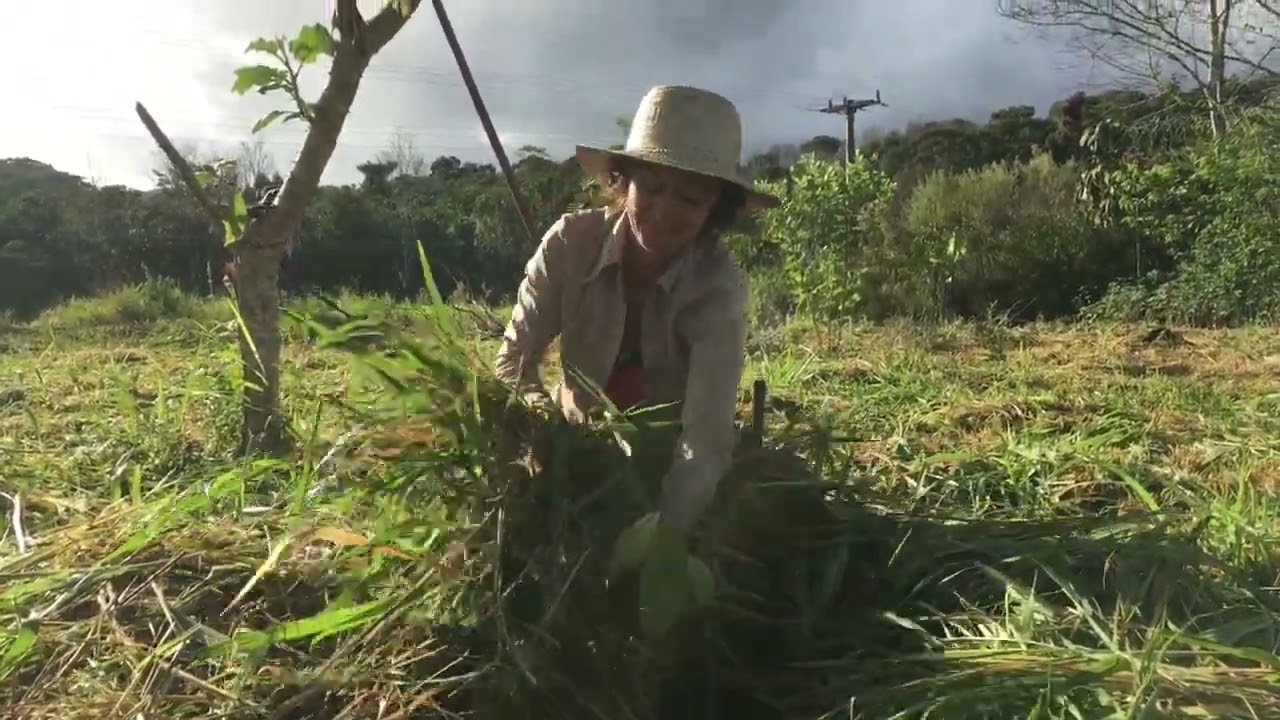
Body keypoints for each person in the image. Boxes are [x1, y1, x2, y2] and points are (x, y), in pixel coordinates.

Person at [494, 85, 779, 537]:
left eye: (689, 199)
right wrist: (549, 433)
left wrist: (663, 536)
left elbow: (703, 441)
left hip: (663, 466)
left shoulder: (718, 289)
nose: (664, 210)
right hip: (572, 446)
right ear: (623, 182)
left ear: (714, 211)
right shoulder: (569, 244)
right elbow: (513, 361)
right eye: (652, 186)